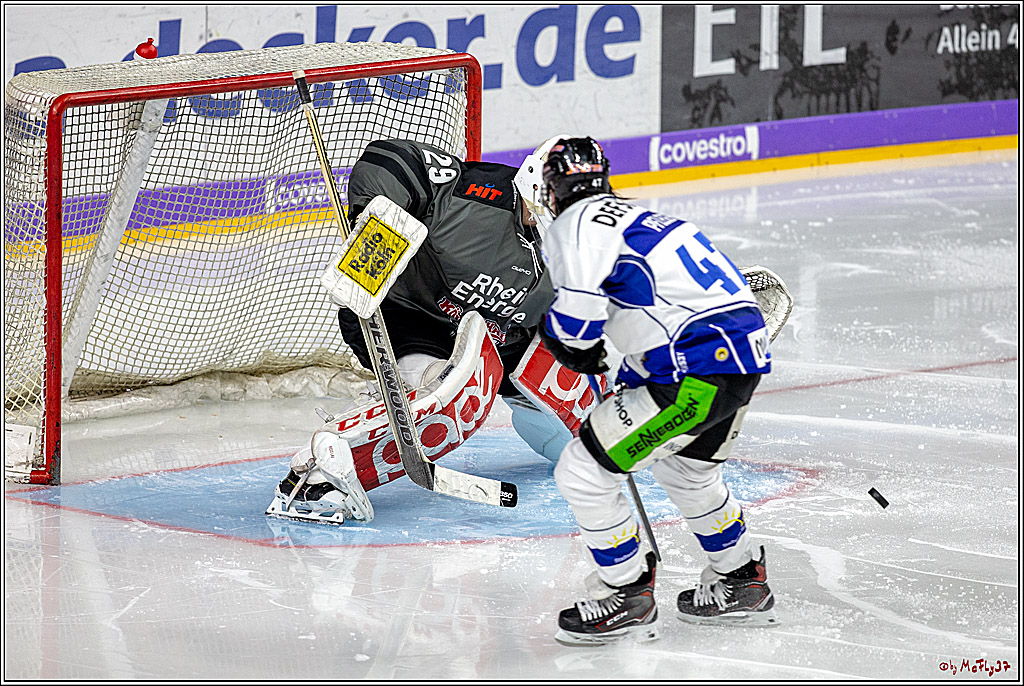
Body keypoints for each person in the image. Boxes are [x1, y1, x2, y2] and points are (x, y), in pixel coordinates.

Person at [523, 136, 778, 646]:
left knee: (581, 471)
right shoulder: (639, 215)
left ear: (551, 188)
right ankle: (742, 579)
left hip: (698, 370)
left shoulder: (575, 223)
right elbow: (652, 314)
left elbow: (577, 327)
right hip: (738, 357)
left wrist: (565, 342)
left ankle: (628, 592)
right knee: (686, 469)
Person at [269, 138, 586, 523]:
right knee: (446, 390)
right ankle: (320, 471)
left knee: (588, 438)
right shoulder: (479, 196)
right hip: (406, 313)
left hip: (505, 335)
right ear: (534, 188)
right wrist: (377, 233)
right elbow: (388, 159)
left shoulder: (582, 246)